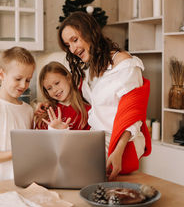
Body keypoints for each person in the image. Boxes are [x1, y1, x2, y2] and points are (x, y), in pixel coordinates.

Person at [57, 11, 152, 181]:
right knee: (59, 165)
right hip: (97, 138)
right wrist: (45, 104)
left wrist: (117, 151)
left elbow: (133, 116)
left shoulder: (125, 65)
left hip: (123, 142)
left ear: (89, 32)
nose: (72, 49)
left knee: (73, 173)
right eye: (67, 45)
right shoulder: (88, 67)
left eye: (75, 40)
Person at [0, 46, 35, 183]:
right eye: (18, 79)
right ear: (1, 74)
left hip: (23, 181)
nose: (23, 85)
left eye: (28, 80)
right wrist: (17, 152)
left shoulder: (28, 110)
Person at [35, 61, 91, 130]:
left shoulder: (87, 110)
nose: (54, 90)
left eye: (57, 83)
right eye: (49, 88)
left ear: (68, 78)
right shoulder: (46, 114)